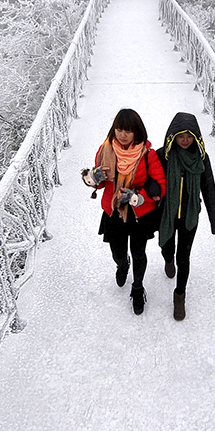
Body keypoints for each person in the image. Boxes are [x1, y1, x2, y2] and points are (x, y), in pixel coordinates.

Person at [82, 108, 166, 315]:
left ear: (137, 132)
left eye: (128, 130)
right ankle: (122, 265)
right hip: (114, 214)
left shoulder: (148, 155)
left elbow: (160, 184)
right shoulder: (105, 150)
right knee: (117, 252)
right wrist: (94, 177)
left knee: (139, 253)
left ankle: (137, 288)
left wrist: (137, 197)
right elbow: (98, 184)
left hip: (139, 214)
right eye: (119, 129)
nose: (123, 135)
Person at [155, 112, 215, 321]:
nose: (185, 140)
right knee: (167, 246)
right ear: (172, 136)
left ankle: (179, 295)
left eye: (189, 136)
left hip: (189, 216)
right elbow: (151, 181)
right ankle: (168, 259)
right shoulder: (162, 155)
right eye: (181, 136)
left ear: (196, 137)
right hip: (166, 212)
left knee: (184, 256)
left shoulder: (201, 159)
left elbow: (208, 188)